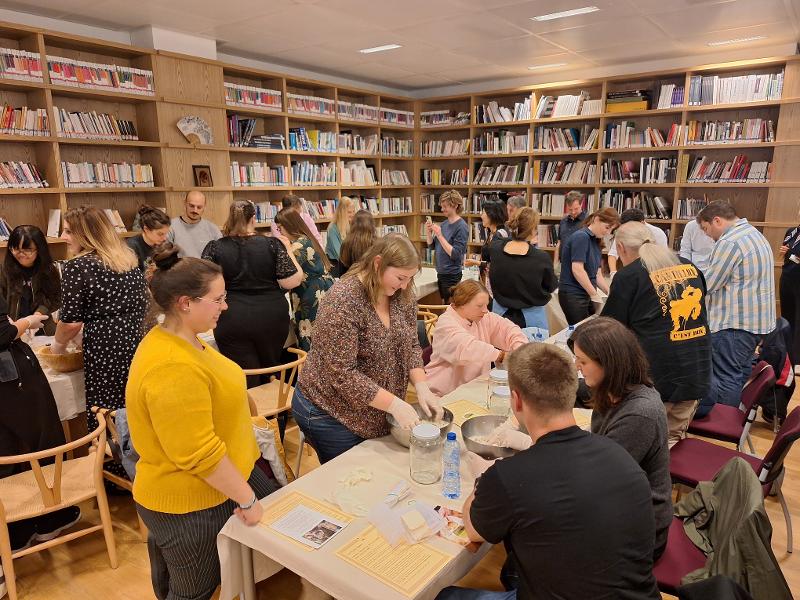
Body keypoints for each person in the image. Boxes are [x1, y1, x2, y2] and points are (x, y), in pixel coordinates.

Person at [439, 343, 660, 600]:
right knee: (514, 568)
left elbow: (474, 530)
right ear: (570, 393)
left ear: (516, 400)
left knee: (448, 595)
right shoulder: (619, 454)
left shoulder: (509, 477)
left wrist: (481, 482)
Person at [127, 243, 278, 600]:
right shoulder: (172, 366)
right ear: (185, 303)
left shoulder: (181, 338)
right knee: (194, 589)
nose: (225, 306)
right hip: (191, 500)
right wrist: (245, 500)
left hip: (224, 477)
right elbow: (198, 453)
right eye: (219, 299)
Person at [292, 234, 442, 463]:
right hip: (331, 413)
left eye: (409, 279)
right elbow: (343, 374)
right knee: (351, 480)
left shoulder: (402, 296)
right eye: (400, 277)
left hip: (374, 410)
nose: (404, 286)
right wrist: (394, 404)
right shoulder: (343, 301)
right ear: (378, 263)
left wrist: (421, 386)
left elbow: (411, 344)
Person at [52, 206, 147, 468]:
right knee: (134, 405)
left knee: (106, 410)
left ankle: (114, 470)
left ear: (87, 234)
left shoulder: (77, 266)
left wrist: (57, 346)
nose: (63, 236)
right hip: (136, 340)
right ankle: (139, 465)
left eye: (69, 231)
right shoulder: (127, 258)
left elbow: (70, 322)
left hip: (105, 347)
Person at [569, 317, 672, 558]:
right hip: (619, 503)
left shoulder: (640, 414)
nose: (576, 366)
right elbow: (572, 389)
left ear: (608, 363)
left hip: (641, 530)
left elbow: (596, 479)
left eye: (582, 361)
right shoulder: (615, 389)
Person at [602, 221, 711, 444]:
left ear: (621, 247)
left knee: (641, 445)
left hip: (657, 378)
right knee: (671, 441)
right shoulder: (689, 266)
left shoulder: (629, 276)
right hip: (695, 372)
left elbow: (608, 331)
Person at [0, 294, 82, 552]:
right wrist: (26, 322)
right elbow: (3, 333)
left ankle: (20, 527)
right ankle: (47, 518)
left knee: (13, 449)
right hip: (12, 381)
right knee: (36, 444)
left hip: (10, 381)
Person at [202, 200, 303, 386]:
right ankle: (271, 411)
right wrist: (287, 251)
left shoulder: (215, 247)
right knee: (270, 369)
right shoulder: (272, 245)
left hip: (232, 316)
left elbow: (204, 282)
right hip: (271, 316)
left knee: (242, 373)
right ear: (253, 219)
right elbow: (292, 280)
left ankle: (249, 411)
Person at [697, 201, 775, 409]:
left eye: (706, 229)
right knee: (738, 373)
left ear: (717, 220)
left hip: (733, 325)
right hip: (753, 323)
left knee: (725, 378)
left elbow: (710, 284)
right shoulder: (754, 234)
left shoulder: (729, 242)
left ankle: (722, 423)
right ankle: (733, 417)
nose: (709, 236)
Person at [425, 280, 527, 396]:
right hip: (444, 393)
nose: (485, 310)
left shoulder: (483, 317)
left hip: (475, 387)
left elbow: (508, 329)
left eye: (486, 305)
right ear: (462, 303)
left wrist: (520, 349)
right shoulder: (446, 323)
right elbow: (466, 347)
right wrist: (501, 356)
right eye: (479, 306)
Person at [274, 208, 335, 351]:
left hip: (310, 293)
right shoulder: (307, 239)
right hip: (321, 290)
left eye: (280, 228)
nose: (279, 232)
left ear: (289, 225)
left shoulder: (298, 245)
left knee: (309, 339)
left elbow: (285, 271)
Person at [489, 207, 557, 334]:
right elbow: (551, 286)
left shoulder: (496, 249)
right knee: (532, 353)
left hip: (500, 317)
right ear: (533, 230)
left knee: (500, 352)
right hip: (531, 321)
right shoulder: (541, 258)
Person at [558, 206, 619, 325]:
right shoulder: (581, 237)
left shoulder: (596, 241)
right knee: (582, 333)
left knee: (590, 330)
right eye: (607, 227)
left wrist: (608, 291)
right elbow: (577, 270)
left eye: (611, 230)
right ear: (596, 219)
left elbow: (597, 273)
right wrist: (594, 294)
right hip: (573, 294)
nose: (608, 233)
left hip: (585, 292)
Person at [0, 225, 61, 336]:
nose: (21, 254)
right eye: (16, 249)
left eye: (27, 250)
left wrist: (39, 313)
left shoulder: (49, 270)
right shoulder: (3, 271)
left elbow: (56, 298)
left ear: (39, 249)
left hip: (43, 328)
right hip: (13, 329)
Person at [425, 189, 469, 304]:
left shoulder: (461, 227)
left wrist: (439, 235)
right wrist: (429, 232)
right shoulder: (444, 224)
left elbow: (455, 254)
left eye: (445, 206)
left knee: (451, 307)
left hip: (452, 275)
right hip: (441, 273)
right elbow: (431, 246)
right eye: (441, 206)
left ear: (455, 205)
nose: (442, 209)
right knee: (444, 305)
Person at [464, 200, 508, 293]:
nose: (481, 216)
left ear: (491, 214)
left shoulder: (500, 235)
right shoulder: (491, 232)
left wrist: (477, 263)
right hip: (489, 281)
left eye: (483, 212)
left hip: (497, 285)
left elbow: (499, 264)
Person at [608, 208, 669, 272]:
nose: (628, 230)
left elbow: (663, 259)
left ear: (642, 223)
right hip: (630, 269)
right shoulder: (624, 231)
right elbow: (613, 254)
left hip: (652, 270)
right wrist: (613, 273)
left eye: (631, 227)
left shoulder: (658, 233)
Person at [167, 190, 222, 258]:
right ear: (185, 204)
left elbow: (220, 257)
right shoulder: (171, 227)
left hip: (206, 267)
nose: (195, 210)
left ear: (204, 207)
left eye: (199, 207)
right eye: (191, 206)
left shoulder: (213, 229)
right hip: (180, 267)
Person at [778, 220, 800, 365]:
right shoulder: (792, 231)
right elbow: (786, 252)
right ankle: (786, 353)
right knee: (787, 316)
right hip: (787, 276)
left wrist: (792, 254)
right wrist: (784, 252)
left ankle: (797, 359)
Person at [126, 204, 171, 271]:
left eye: (166, 234)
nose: (165, 238)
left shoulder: (162, 244)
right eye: (160, 234)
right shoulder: (131, 247)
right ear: (146, 229)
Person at [554, 190, 587, 265]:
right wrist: (555, 264)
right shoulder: (563, 221)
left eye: (576, 209)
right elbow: (559, 243)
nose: (573, 212)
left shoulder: (588, 222)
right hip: (563, 263)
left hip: (580, 265)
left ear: (581, 204)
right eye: (570, 209)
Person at [339, 209, 376, 273]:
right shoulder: (377, 243)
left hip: (349, 280)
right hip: (370, 280)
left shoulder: (346, 243)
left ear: (353, 224)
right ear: (372, 225)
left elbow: (342, 268)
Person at [325, 195, 355, 276]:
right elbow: (339, 254)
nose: (352, 215)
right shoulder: (332, 229)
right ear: (342, 212)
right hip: (336, 265)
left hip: (349, 263)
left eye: (353, 211)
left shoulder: (352, 225)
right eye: (349, 212)